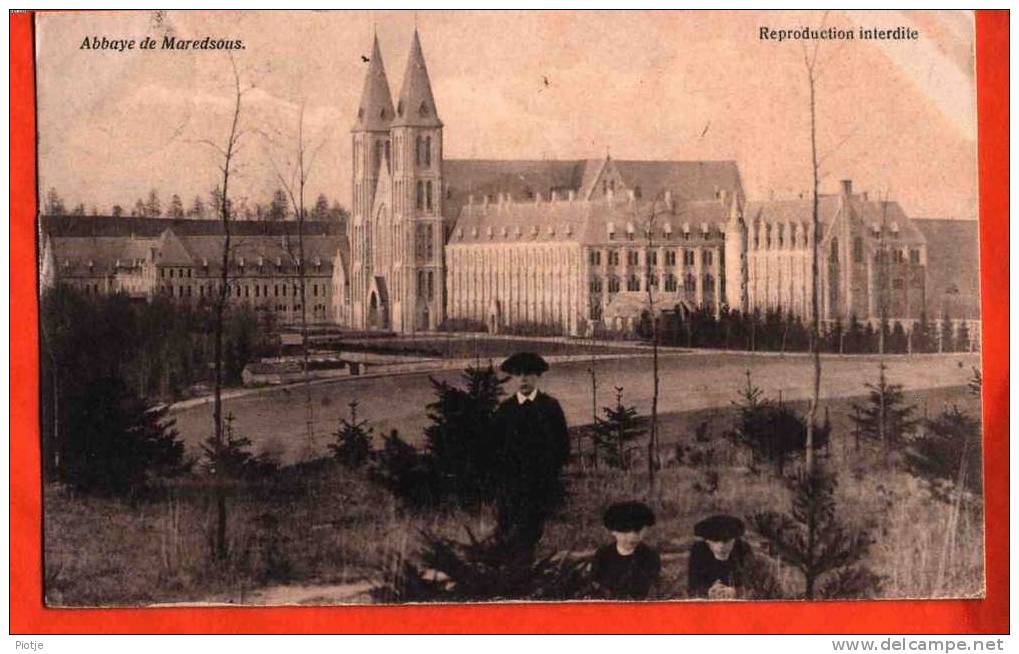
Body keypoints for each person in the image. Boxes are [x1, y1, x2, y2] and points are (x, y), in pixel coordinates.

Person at [490, 351, 570, 560]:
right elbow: (494, 446)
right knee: (508, 528)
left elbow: (562, 445)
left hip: (540, 482)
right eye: (518, 375)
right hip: (511, 484)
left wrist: (549, 473)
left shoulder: (550, 407)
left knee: (532, 529)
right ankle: (509, 571)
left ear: (537, 377)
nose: (523, 379)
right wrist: (503, 476)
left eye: (528, 374)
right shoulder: (505, 410)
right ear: (513, 378)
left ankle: (526, 569)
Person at [591, 501, 661, 599]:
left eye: (638, 531)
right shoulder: (603, 555)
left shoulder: (649, 556)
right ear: (613, 531)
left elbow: (651, 586)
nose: (632, 537)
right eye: (625, 532)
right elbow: (596, 583)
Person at [687, 514, 752, 599]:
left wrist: (736, 591)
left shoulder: (743, 549)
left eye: (726, 541)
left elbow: (751, 581)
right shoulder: (698, 550)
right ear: (706, 541)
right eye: (714, 541)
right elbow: (693, 584)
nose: (721, 546)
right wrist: (707, 591)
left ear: (734, 540)